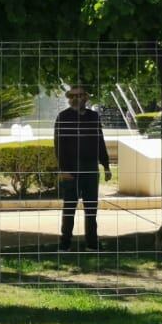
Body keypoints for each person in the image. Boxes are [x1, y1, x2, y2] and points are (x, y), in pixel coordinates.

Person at [54, 84, 111, 252]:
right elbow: (58, 145)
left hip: (91, 167)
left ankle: (92, 244)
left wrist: (106, 165)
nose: (76, 99)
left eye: (80, 96)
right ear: (69, 98)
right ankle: (65, 245)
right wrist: (63, 169)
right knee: (69, 207)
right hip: (71, 168)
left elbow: (100, 141)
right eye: (72, 96)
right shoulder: (63, 117)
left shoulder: (94, 117)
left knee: (91, 209)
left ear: (86, 97)